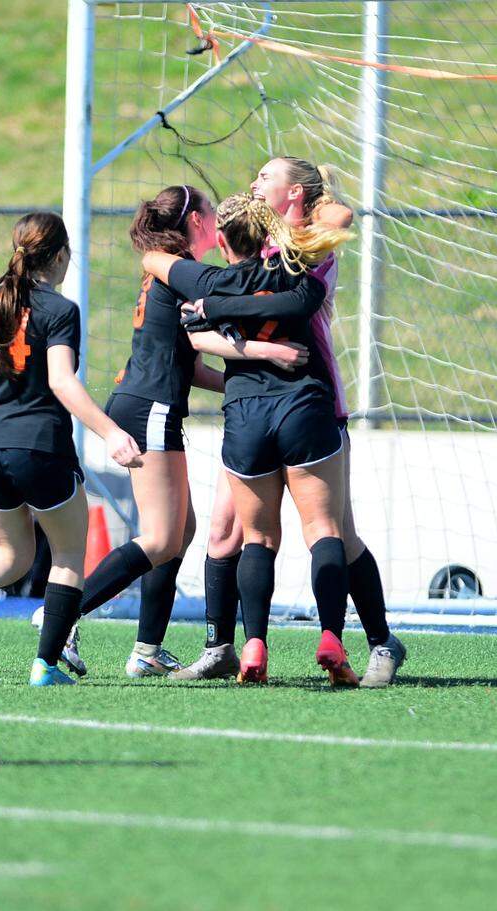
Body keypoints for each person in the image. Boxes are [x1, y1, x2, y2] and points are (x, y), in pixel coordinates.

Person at [58, 185, 310, 680]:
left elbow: (191, 364)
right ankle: (61, 614)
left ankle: (147, 649)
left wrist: (245, 377)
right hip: (148, 409)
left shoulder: (170, 270)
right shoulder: (174, 267)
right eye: (211, 211)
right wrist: (269, 350)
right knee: (158, 538)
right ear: (195, 219)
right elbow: (226, 285)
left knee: (182, 533)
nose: (218, 221)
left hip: (152, 405)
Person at [0, 211, 142, 686]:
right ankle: (46, 665)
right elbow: (61, 381)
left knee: (9, 555)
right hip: (39, 448)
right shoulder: (60, 310)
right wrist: (111, 432)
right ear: (59, 257)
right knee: (68, 556)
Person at [144, 192, 357, 684]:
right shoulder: (297, 273)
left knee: (258, 537)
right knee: (323, 529)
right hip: (304, 407)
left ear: (220, 239)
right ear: (269, 236)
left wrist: (212, 306)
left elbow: (156, 260)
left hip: (244, 415)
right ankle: (331, 638)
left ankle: (255, 645)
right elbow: (335, 226)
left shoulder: (209, 281)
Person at [247, 156, 406, 686]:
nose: (254, 183)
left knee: (339, 531)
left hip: (311, 400)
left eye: (266, 177)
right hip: (253, 406)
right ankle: (230, 644)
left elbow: (340, 213)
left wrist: (312, 190)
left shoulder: (314, 238)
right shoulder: (252, 243)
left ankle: (379, 641)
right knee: (242, 532)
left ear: (294, 193)